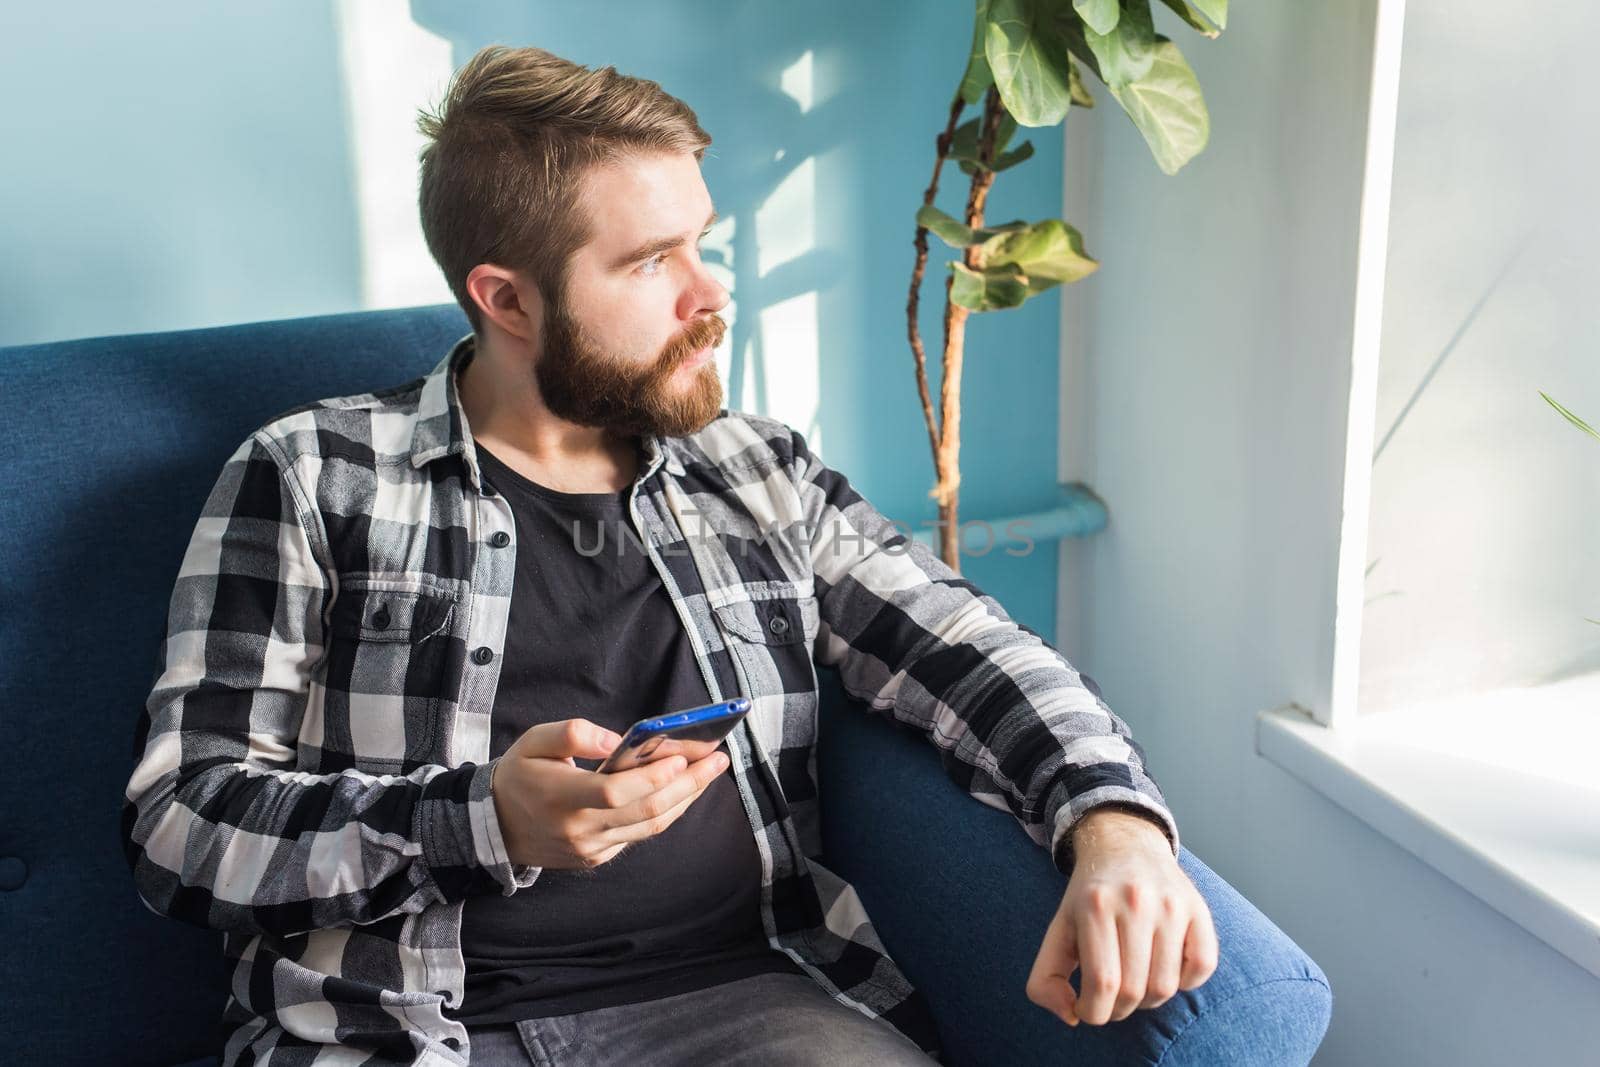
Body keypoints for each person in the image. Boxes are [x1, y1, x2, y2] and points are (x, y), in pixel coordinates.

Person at [121, 44, 1217, 1066]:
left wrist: (1112, 821)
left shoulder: (754, 471)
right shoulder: (314, 474)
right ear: (505, 298)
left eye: (703, 241)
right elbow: (181, 821)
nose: (711, 296)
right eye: (652, 263)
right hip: (398, 1023)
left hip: (748, 996)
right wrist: (483, 819)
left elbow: (967, 645)